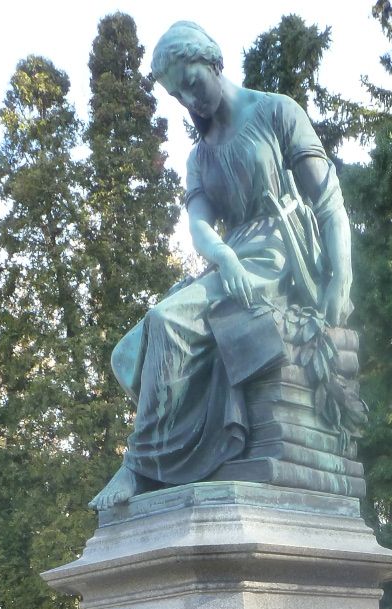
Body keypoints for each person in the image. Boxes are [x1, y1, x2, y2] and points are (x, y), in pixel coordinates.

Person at [89, 20, 354, 511]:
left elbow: (328, 199)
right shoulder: (199, 157)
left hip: (281, 257)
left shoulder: (276, 112)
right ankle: (183, 459)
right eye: (178, 96)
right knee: (129, 352)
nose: (191, 101)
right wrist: (223, 255)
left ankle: (141, 467)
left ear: (213, 61)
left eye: (192, 83)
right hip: (232, 260)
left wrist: (339, 276)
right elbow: (199, 226)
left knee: (167, 320)